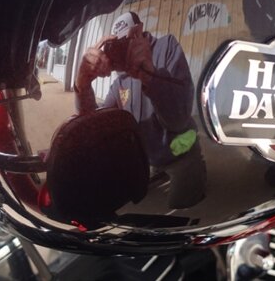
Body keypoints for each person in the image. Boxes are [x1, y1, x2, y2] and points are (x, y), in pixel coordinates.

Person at [75, 12, 206, 209]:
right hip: (149, 159)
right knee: (129, 198)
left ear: (140, 33)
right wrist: (83, 83)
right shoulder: (120, 82)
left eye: (125, 42)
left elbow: (178, 120)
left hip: (182, 153)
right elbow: (94, 126)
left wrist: (150, 76)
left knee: (182, 206)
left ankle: (197, 170)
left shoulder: (166, 47)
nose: (121, 52)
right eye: (115, 46)